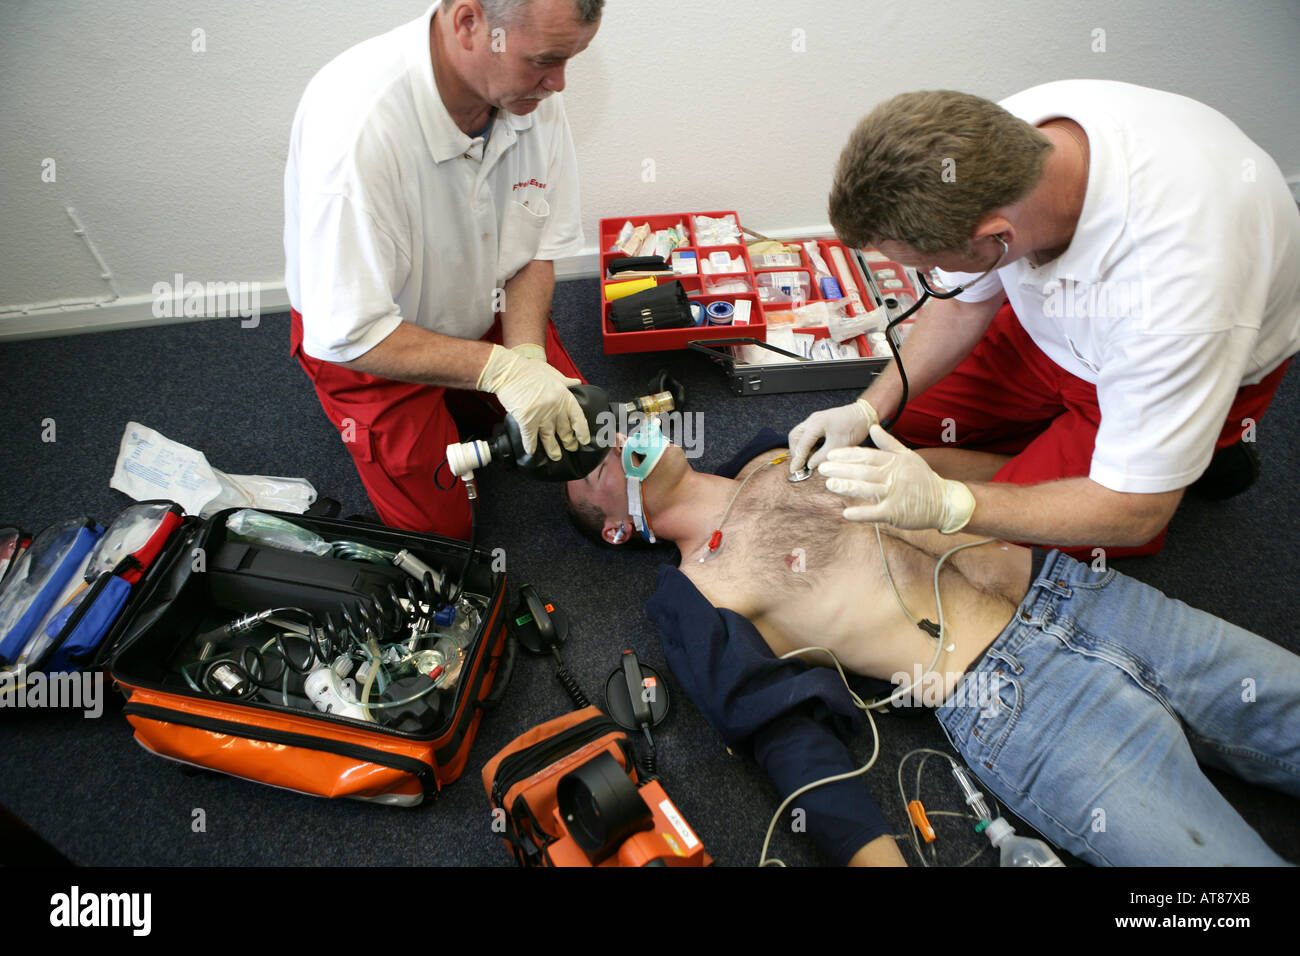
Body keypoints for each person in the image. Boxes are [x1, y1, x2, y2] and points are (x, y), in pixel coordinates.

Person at [563, 424, 1300, 866]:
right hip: (1016, 703)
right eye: (598, 472)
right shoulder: (692, 589)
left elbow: (937, 469)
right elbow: (776, 728)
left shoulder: (775, 449)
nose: (617, 444)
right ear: (619, 528)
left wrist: (1080, 486)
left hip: (1081, 593)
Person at [788, 82, 1300, 559]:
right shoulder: (1001, 139)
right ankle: (1073, 448)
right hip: (1052, 326)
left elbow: (1133, 512)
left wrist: (951, 507)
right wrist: (868, 411)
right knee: (900, 429)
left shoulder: (1179, 293)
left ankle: (1192, 454)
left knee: (988, 547)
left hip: (1171, 360)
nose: (927, 276)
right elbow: (966, 303)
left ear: (997, 238)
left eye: (922, 266)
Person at [284, 0, 603, 538]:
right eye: (545, 60)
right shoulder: (355, 133)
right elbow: (349, 332)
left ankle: (472, 390)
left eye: (572, 58)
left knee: (582, 426)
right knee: (447, 543)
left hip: (489, 307)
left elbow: (537, 245)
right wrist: (500, 372)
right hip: (376, 346)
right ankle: (447, 407)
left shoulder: (528, 91)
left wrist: (524, 355)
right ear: (468, 22)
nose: (559, 83)